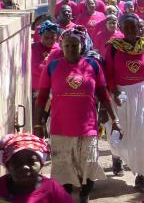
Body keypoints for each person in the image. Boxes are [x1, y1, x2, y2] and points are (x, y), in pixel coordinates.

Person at [34, 26, 120, 203]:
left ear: (82, 45)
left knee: (88, 166)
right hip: (60, 128)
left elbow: (103, 95)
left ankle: (84, 197)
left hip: (87, 128)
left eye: (75, 45)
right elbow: (41, 99)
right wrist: (38, 125)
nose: (71, 49)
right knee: (63, 169)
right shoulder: (53, 66)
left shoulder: (93, 65)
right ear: (62, 47)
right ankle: (66, 198)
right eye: (67, 45)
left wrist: (115, 119)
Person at [104, 14, 144, 191]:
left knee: (142, 133)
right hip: (120, 93)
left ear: (141, 28)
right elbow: (108, 71)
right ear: (122, 29)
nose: (132, 31)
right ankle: (117, 158)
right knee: (121, 130)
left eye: (136, 27)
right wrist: (114, 91)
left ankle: (140, 174)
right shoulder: (113, 47)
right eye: (128, 27)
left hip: (142, 92)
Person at [0, 134, 73, 202]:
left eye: (31, 161)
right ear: (7, 165)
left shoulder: (52, 188)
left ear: (41, 164)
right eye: (17, 162)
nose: (25, 167)